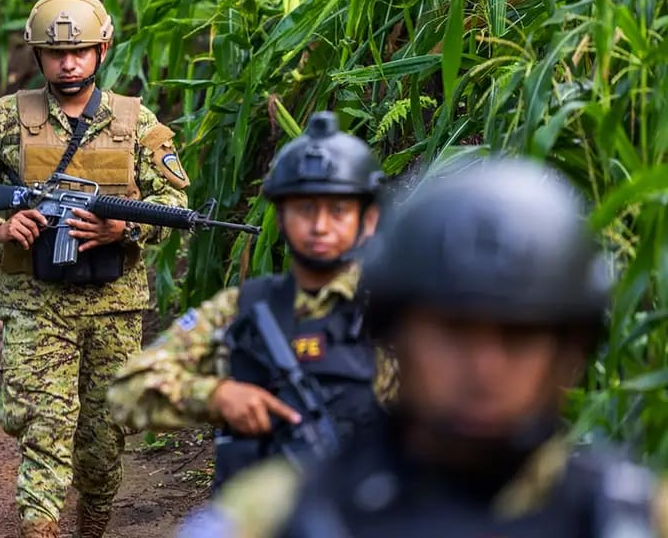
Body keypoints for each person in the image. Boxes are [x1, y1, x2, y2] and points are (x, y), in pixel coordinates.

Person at [192, 156, 668, 538]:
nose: (484, 369)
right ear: (393, 333)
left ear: (568, 350)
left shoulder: (633, 516)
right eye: (453, 334)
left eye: (518, 338)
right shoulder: (276, 515)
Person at [0, 0, 191, 538]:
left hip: (113, 304)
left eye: (80, 51)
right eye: (56, 53)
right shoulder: (7, 118)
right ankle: (40, 523)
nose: (69, 63)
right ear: (38, 56)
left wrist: (123, 228)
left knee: (105, 434)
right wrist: (0, 227)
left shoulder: (135, 121)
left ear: (102, 50)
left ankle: (95, 516)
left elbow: (174, 203)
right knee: (44, 421)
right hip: (35, 300)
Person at [107, 111, 391, 491]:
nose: (320, 226)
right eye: (305, 209)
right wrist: (216, 396)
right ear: (281, 217)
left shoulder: (397, 311)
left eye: (338, 210)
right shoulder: (242, 309)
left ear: (368, 220)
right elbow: (127, 392)